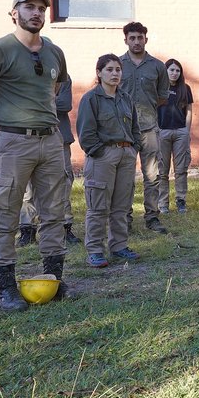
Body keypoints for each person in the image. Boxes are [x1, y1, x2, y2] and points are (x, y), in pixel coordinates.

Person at [0, 0, 71, 311]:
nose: (37, 13)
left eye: (41, 8)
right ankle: (6, 288)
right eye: (29, 7)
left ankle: (53, 280)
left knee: (54, 212)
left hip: (51, 141)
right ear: (14, 13)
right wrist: (13, 120)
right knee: (7, 212)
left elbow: (53, 90)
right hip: (14, 143)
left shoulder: (54, 52)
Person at [77, 54, 143, 268]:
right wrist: (100, 152)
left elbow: (135, 127)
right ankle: (95, 250)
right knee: (98, 206)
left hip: (126, 154)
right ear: (99, 73)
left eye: (118, 69)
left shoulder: (125, 98)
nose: (115, 73)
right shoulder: (91, 99)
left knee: (121, 206)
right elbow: (86, 133)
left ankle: (119, 246)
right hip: (103, 156)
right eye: (109, 69)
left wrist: (134, 148)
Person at [17, 78, 79, 247]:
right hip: (26, 137)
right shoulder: (21, 73)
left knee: (62, 184)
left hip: (59, 137)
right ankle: (27, 229)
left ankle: (65, 227)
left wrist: (33, 100)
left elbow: (65, 104)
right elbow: (16, 102)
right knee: (26, 187)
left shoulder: (62, 76)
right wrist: (49, 99)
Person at [119, 21, 168, 234]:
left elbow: (162, 97)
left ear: (146, 39)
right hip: (124, 130)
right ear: (126, 40)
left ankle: (152, 217)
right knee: (125, 177)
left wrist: (146, 110)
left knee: (152, 175)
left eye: (140, 37)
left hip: (149, 128)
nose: (136, 41)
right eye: (132, 38)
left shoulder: (157, 66)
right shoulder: (118, 64)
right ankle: (124, 219)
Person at [157, 59, 193, 214]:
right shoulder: (158, 87)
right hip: (162, 132)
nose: (174, 73)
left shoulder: (185, 88)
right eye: (171, 70)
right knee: (162, 171)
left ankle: (181, 201)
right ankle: (163, 203)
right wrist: (156, 129)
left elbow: (189, 110)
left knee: (181, 169)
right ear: (165, 71)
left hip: (180, 132)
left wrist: (186, 130)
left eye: (177, 70)